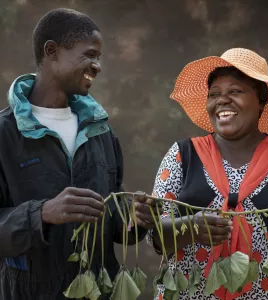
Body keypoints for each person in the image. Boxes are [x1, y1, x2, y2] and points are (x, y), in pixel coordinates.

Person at [0, 8, 161, 300]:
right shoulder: (4, 134)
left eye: (99, 57)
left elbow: (114, 220)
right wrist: (43, 213)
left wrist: (134, 220)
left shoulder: (100, 132)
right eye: (89, 55)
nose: (97, 66)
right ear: (52, 52)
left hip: (100, 291)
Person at [147, 48, 268, 299]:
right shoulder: (183, 154)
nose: (222, 100)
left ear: (261, 100)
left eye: (235, 91)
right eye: (214, 94)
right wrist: (191, 228)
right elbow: (156, 237)